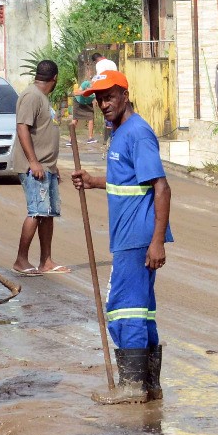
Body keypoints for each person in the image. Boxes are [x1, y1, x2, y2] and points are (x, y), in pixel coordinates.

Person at [70, 69, 171, 405]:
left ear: (124, 95)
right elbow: (128, 181)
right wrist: (93, 180)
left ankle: (131, 387)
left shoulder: (138, 133)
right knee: (141, 311)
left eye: (109, 96)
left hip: (137, 237)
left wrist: (156, 241)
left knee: (123, 309)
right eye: (99, 98)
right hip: (127, 235)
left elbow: (161, 186)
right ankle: (149, 386)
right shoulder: (119, 132)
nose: (103, 104)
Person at [11, 59, 67, 276]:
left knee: (48, 214)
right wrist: (34, 162)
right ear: (55, 79)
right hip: (34, 167)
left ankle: (46, 261)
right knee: (36, 211)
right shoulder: (31, 96)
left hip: (47, 166)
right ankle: (21, 260)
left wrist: (52, 165)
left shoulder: (42, 98)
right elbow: (22, 128)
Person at [70, 57, 100, 145]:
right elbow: (76, 93)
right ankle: (71, 139)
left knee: (91, 119)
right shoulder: (85, 84)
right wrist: (85, 92)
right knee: (75, 120)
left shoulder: (97, 87)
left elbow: (96, 96)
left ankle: (90, 138)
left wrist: (96, 100)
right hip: (79, 102)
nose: (94, 83)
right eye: (94, 81)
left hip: (87, 104)